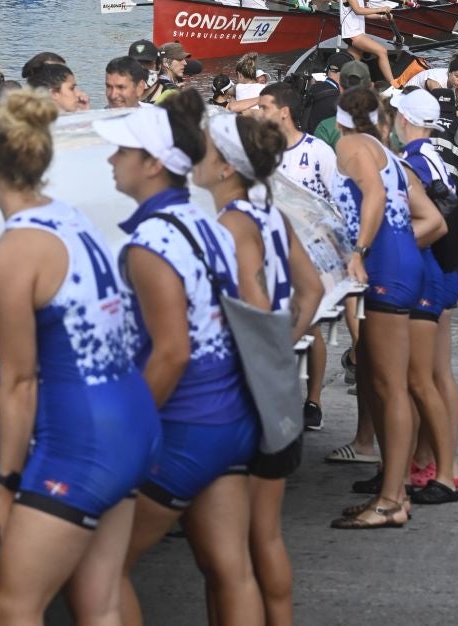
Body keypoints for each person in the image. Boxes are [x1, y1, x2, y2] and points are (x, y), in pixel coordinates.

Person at [0, 90, 160, 626]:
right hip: (132, 417)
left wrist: (8, 485)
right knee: (99, 603)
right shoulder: (70, 217)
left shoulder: (10, 255)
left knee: (11, 607)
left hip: (81, 439)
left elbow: (19, 382)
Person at [97, 94, 265, 626]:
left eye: (121, 151)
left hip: (185, 424)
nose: (110, 160)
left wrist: (124, 433)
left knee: (102, 569)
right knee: (230, 570)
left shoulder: (151, 242)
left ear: (152, 164)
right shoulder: (209, 223)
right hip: (232, 416)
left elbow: (170, 352)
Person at [192, 110, 323, 626]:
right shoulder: (271, 214)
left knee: (225, 557)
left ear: (227, 168)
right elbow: (310, 291)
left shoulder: (229, 225)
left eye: (205, 150)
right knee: (265, 536)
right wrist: (283, 346)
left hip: (241, 398)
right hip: (278, 389)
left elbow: (249, 302)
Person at [330, 88, 444, 529]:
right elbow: (431, 219)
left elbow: (373, 196)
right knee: (381, 382)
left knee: (388, 385)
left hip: (384, 269)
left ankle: (391, 499)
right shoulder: (389, 153)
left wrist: (359, 250)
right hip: (402, 264)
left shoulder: (351, 144)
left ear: (341, 118)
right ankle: (393, 494)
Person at [391, 87, 458, 504]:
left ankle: (442, 468)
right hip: (447, 267)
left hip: (430, 270)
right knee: (439, 374)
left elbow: (428, 222)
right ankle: (435, 463)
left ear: (404, 119)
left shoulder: (413, 160)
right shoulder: (436, 151)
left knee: (421, 378)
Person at [257, 81, 336, 433]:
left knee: (311, 325)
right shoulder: (259, 152)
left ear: (283, 112)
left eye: (264, 107)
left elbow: (336, 203)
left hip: (308, 254)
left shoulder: (319, 151)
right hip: (268, 252)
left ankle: (314, 399)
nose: (259, 113)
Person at [339, 0, 396, 86]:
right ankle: (393, 84)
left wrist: (381, 17)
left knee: (354, 63)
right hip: (352, 33)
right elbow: (359, 10)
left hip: (357, 32)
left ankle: (342, 84)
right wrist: (382, 9)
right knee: (382, 51)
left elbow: (365, 10)